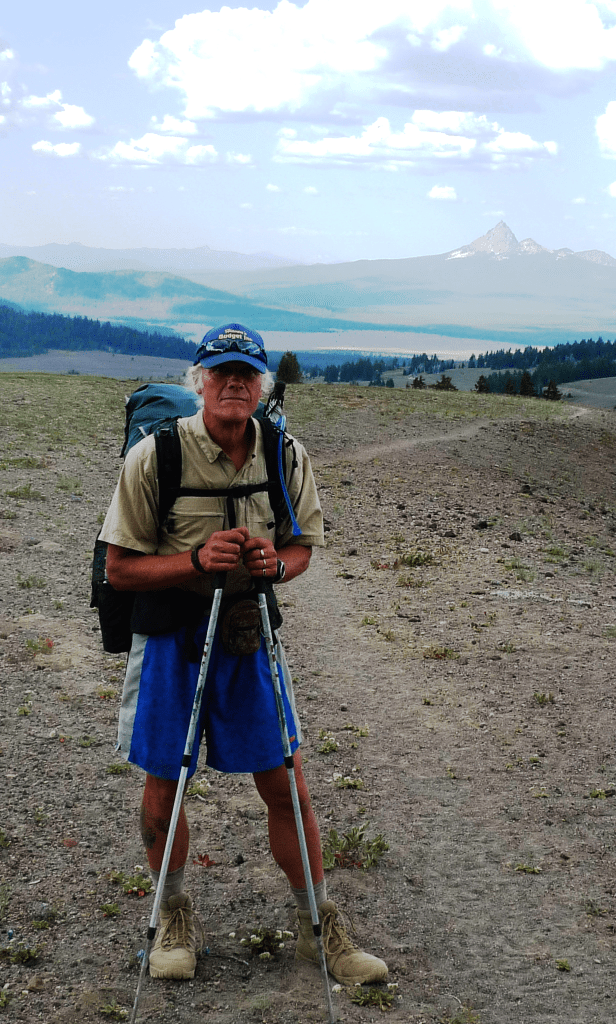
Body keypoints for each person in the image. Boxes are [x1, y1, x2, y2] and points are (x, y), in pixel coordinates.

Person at [100, 323, 388, 986]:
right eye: (221, 371)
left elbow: (301, 548)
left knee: (286, 783)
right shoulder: (157, 456)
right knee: (165, 787)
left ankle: (321, 929)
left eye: (246, 373)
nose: (234, 383)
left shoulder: (284, 453)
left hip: (245, 632)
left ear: (261, 384)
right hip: (172, 636)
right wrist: (194, 561)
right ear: (199, 381)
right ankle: (172, 913)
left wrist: (273, 567)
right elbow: (119, 569)